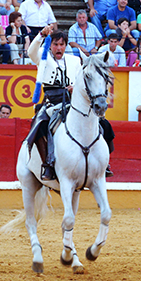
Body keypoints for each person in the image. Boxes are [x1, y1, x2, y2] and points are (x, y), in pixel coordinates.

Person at [27, 29, 84, 180]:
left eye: (62, 44)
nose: (59, 48)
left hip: (73, 101)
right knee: (39, 126)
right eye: (55, 44)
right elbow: (30, 52)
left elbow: (81, 82)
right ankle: (47, 164)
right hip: (52, 101)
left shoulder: (75, 60)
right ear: (50, 45)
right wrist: (40, 35)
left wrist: (75, 88)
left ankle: (102, 164)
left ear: (66, 45)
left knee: (99, 122)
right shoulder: (43, 56)